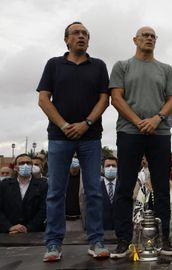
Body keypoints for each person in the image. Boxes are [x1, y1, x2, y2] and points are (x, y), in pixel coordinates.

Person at [37, 21, 110, 261]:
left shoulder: (98, 65)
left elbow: (104, 100)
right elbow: (44, 99)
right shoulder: (54, 64)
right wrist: (64, 125)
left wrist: (86, 123)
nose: (81, 36)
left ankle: (96, 240)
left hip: (90, 137)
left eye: (85, 34)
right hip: (59, 137)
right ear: (66, 39)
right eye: (76, 33)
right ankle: (53, 243)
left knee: (93, 191)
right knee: (56, 191)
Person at [109, 26, 172, 258]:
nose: (149, 39)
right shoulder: (122, 66)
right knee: (125, 186)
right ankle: (123, 240)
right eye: (144, 35)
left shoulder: (166, 69)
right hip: (129, 131)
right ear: (135, 39)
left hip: (159, 133)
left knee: (161, 187)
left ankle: (164, 238)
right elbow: (116, 98)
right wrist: (139, 121)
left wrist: (156, 119)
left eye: (152, 36)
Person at [0, 154, 47, 233]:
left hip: (33, 233)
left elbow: (44, 210)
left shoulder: (43, 186)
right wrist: (9, 227)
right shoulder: (4, 185)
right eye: (21, 163)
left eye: (28, 163)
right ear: (15, 167)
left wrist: (28, 228)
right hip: (8, 233)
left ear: (32, 167)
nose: (25, 165)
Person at [101, 156, 118, 230]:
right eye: (108, 166)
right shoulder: (96, 187)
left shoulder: (123, 187)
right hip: (101, 231)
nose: (111, 168)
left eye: (113, 166)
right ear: (102, 168)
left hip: (119, 231)